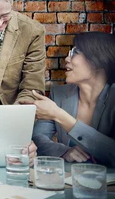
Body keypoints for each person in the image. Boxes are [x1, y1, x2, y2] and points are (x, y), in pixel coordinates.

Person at [28, 32, 115, 167]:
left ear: (99, 61)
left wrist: (59, 115)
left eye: (76, 52)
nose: (67, 59)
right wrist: (64, 152)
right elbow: (37, 138)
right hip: (70, 179)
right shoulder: (59, 94)